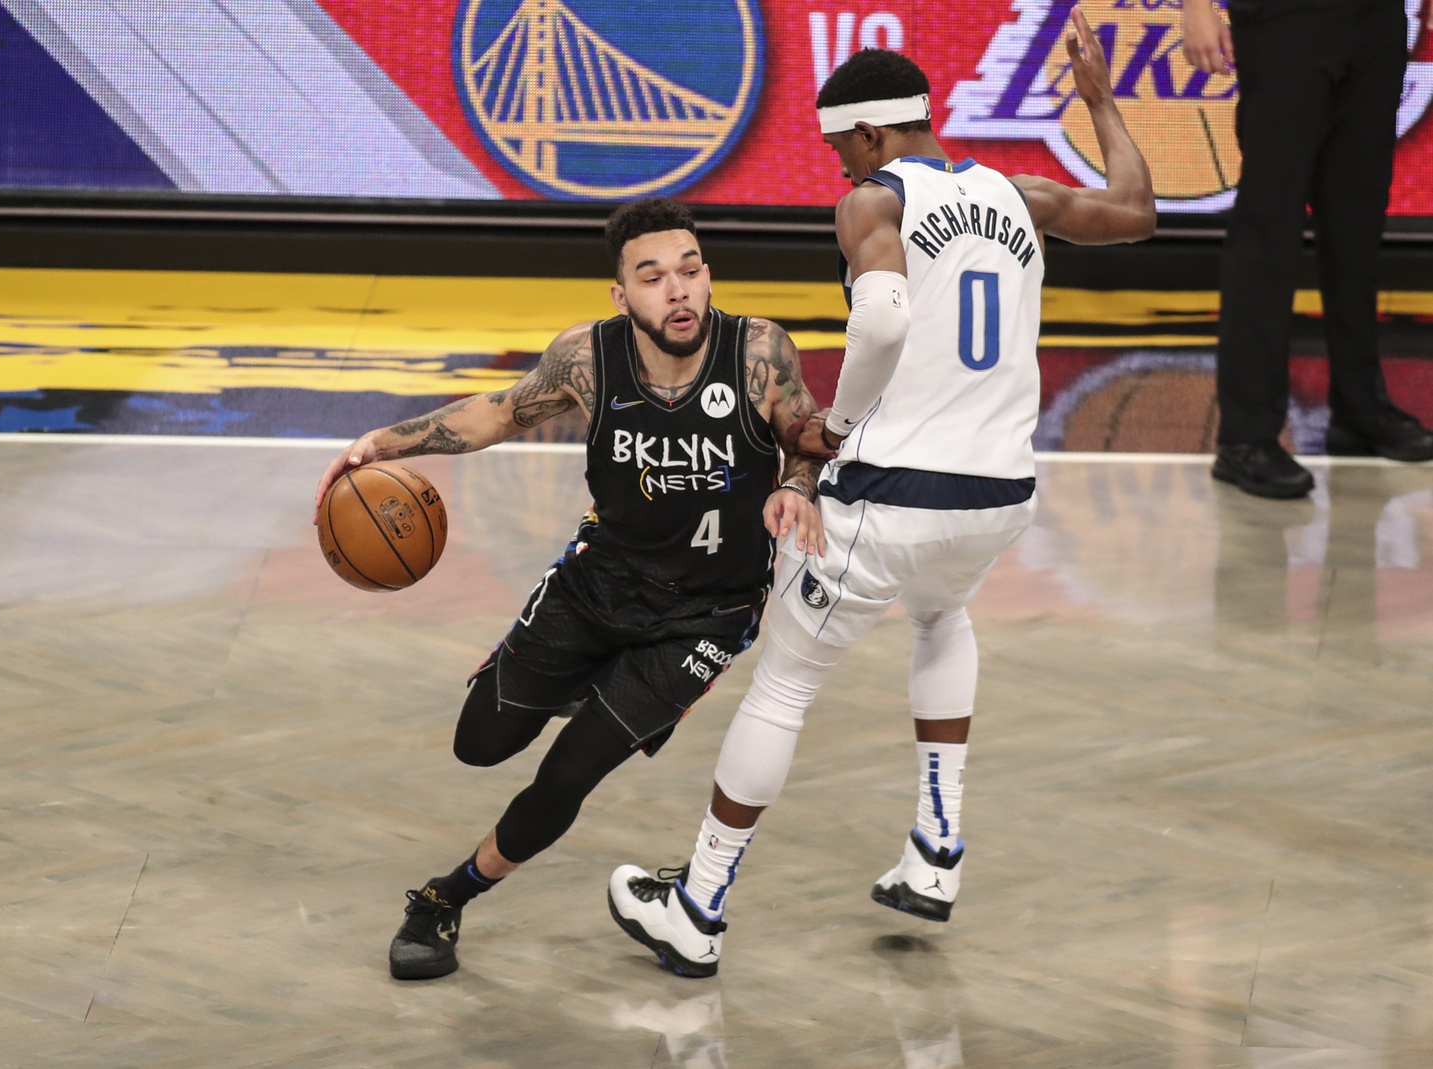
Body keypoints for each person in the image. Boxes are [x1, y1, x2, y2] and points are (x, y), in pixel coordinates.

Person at [607, 11, 1155, 977]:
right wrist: (1102, 104)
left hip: (896, 494)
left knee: (783, 680)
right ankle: (935, 853)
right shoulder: (1016, 193)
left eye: (836, 151)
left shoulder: (872, 204)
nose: (837, 170)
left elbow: (887, 320)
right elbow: (1135, 211)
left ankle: (695, 907)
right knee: (942, 618)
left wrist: (844, 426)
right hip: (1000, 494)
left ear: (867, 136)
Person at [313, 198, 826, 980]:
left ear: (708, 274)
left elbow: (802, 435)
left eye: (690, 270)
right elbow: (496, 415)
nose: (678, 290)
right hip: (596, 586)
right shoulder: (587, 358)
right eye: (653, 278)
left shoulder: (758, 350)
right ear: (622, 296)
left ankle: (443, 898)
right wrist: (383, 441)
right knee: (479, 744)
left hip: (703, 618)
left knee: (568, 774)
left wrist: (797, 485)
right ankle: (579, 678)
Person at [1182, 0, 1433, 499]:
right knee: (1268, 226)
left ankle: (1359, 409)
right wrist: (1195, 5)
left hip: (1377, 20)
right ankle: (1246, 437)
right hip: (1285, 21)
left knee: (1357, 227)